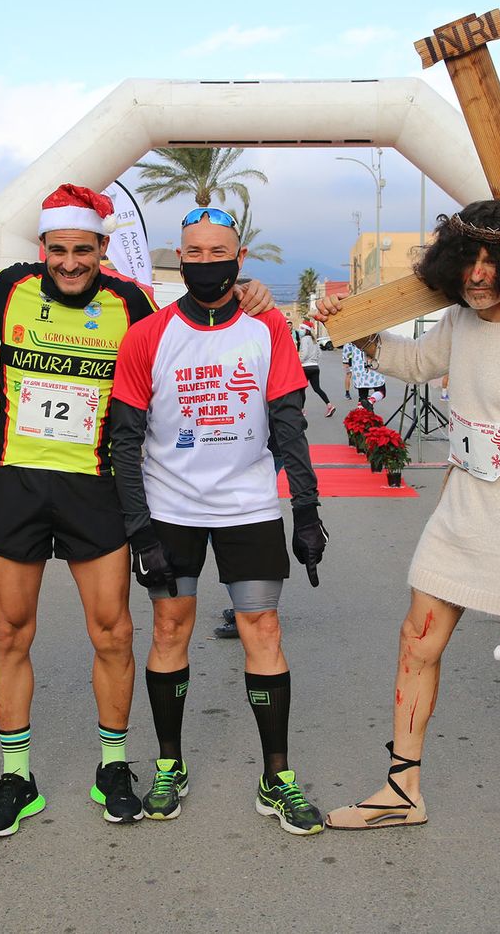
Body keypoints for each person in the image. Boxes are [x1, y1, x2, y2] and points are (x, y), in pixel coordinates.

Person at [0, 185, 278, 837]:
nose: (70, 262)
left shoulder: (130, 302)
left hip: (95, 488)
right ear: (41, 248)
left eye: (83, 250)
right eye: (58, 249)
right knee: (12, 632)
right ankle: (16, 775)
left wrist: (247, 294)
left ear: (104, 249)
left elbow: (188, 329)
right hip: (15, 485)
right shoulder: (5, 290)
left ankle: (113, 766)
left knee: (112, 633)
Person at [315, 200, 500, 867]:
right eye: (469, 261)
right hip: (463, 505)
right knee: (417, 641)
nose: (479, 275)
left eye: (493, 262)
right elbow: (417, 364)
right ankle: (402, 788)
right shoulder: (460, 320)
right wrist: (360, 333)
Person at [110, 207, 330, 836]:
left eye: (218, 251)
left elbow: (289, 423)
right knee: (169, 631)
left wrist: (306, 510)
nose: (205, 262)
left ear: (240, 258)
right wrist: (139, 528)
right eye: (194, 252)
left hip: (249, 508)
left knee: (263, 630)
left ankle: (277, 776)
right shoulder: (148, 335)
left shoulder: (267, 330)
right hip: (170, 508)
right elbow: (124, 439)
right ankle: (170, 766)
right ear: (179, 259)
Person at [295, 319, 335, 418]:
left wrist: (298, 361)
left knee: (301, 389)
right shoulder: (314, 340)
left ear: (306, 330)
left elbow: (304, 354)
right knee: (317, 388)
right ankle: (329, 405)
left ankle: (302, 410)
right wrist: (314, 361)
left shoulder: (304, 340)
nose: (300, 330)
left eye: (301, 328)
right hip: (315, 367)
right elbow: (319, 353)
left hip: (305, 367)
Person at [341, 335, 385, 409]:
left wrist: (346, 363)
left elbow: (346, 352)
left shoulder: (353, 335)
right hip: (373, 368)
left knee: (362, 396)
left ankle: (362, 416)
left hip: (359, 370)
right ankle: (371, 401)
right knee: (382, 391)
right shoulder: (375, 333)